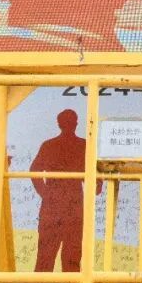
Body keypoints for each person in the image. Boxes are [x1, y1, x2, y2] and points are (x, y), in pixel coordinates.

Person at [31, 109, 101, 274]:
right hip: (72, 205)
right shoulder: (83, 146)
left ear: (59, 124)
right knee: (69, 259)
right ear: (76, 124)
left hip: (55, 205)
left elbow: (34, 171)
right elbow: (95, 183)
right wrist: (96, 186)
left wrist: (46, 194)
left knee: (47, 259)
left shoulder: (50, 145)